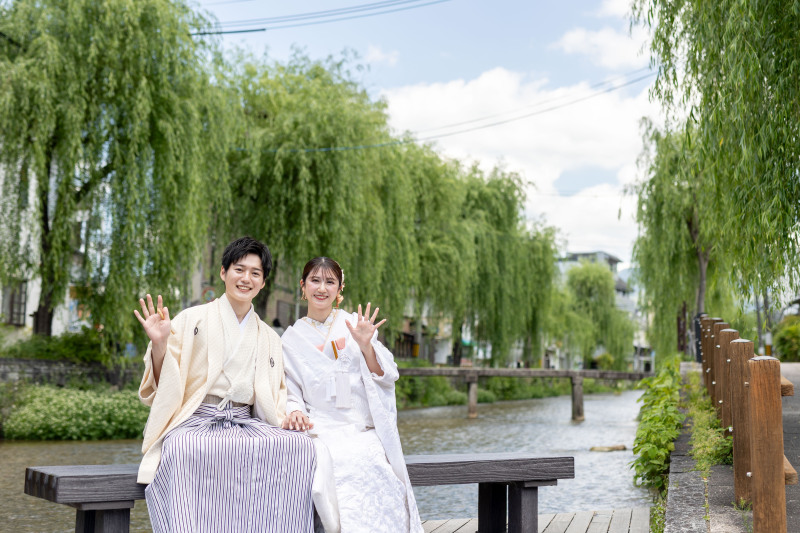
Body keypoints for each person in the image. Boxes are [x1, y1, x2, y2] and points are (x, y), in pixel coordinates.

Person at [134, 237, 336, 533]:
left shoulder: (268, 336)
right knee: (182, 446)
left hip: (244, 422)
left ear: (263, 282)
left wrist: (287, 417)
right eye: (239, 270)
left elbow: (275, 394)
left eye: (255, 273)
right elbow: (166, 382)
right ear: (223, 272)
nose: (246, 278)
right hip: (198, 420)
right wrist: (160, 343)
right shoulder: (192, 318)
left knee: (300, 447)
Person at [281, 257, 423, 533]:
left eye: (330, 282)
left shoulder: (353, 324)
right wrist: (295, 410)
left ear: (340, 288)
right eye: (315, 280)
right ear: (303, 286)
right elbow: (291, 388)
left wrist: (367, 345)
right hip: (320, 426)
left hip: (358, 424)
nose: (322, 288)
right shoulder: (290, 339)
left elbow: (386, 375)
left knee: (371, 463)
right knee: (333, 462)